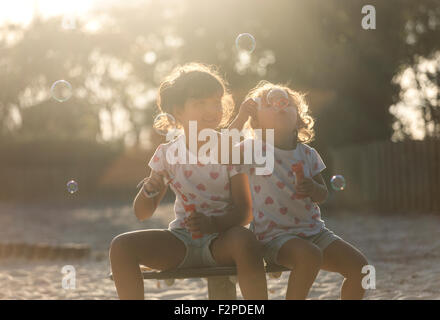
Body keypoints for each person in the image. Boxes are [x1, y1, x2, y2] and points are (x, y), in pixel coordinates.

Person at [109, 63, 267, 300]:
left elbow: (245, 213)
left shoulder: (230, 149)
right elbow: (142, 213)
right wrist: (148, 192)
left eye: (216, 101)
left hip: (223, 241)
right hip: (182, 240)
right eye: (200, 103)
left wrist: (212, 224)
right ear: (178, 111)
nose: (212, 109)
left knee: (245, 239)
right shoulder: (167, 154)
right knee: (121, 247)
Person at [229, 80, 369, 300]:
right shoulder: (253, 150)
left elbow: (323, 194)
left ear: (298, 118)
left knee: (361, 268)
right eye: (270, 104)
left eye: (285, 102)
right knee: (310, 256)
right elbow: (222, 148)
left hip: (314, 232)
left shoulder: (308, 154)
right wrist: (239, 118)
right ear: (255, 120)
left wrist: (313, 188)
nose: (279, 106)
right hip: (273, 236)